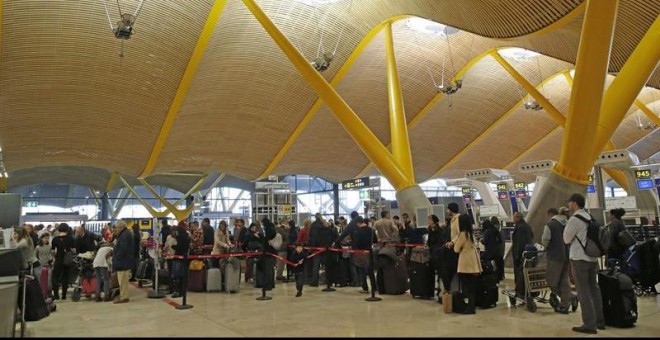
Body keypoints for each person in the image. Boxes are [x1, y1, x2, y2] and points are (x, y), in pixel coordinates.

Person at [563, 193, 605, 334]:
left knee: (583, 291)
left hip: (579, 259)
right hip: (592, 258)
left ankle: (589, 324)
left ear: (574, 204)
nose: (569, 206)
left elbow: (566, 239)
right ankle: (600, 321)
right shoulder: (589, 217)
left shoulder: (575, 219)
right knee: (594, 289)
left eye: (570, 204)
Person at [542, 207, 571, 314]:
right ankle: (565, 304)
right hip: (567, 255)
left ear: (550, 214)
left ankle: (569, 297)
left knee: (551, 281)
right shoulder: (568, 223)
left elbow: (545, 241)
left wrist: (545, 247)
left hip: (554, 256)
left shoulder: (550, 224)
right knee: (564, 280)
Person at [454, 214, 482, 314]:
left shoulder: (462, 234)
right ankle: (471, 306)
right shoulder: (471, 233)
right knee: (472, 286)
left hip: (465, 263)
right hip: (473, 262)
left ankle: (470, 308)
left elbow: (456, 249)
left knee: (467, 285)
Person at [352, 216, 378, 293]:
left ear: (358, 223)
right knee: (371, 271)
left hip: (361, 252)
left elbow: (355, 244)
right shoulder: (372, 230)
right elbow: (375, 241)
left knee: (361, 271)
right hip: (369, 251)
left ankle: (365, 288)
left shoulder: (357, 232)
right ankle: (374, 287)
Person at [511, 211, 533, 299]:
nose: (513, 219)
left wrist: (518, 256)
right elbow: (532, 236)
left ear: (518, 218)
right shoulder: (526, 225)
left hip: (521, 255)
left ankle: (520, 292)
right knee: (525, 274)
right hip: (528, 253)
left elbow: (519, 243)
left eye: (514, 217)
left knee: (520, 274)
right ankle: (526, 291)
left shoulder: (520, 227)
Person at [112, 220, 135, 304]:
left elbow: (123, 249)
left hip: (123, 261)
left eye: (117, 228)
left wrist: (117, 257)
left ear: (121, 227)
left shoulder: (125, 235)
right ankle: (123, 295)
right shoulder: (125, 234)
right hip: (123, 261)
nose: (116, 230)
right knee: (122, 280)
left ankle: (124, 297)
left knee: (123, 280)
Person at [51, 223, 75, 300]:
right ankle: (64, 295)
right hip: (67, 260)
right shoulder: (71, 238)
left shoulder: (55, 239)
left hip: (58, 260)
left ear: (58, 229)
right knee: (65, 277)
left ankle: (56, 295)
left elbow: (53, 251)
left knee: (55, 277)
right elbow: (73, 250)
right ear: (67, 229)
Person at [427, 215, 450, 292]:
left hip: (438, 253)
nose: (428, 221)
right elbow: (429, 241)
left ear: (433, 221)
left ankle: (443, 289)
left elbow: (440, 242)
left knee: (441, 272)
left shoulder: (440, 230)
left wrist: (435, 249)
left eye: (429, 219)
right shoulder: (430, 229)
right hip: (432, 252)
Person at [443, 202, 461, 293]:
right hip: (451, 248)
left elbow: (460, 234)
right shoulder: (452, 220)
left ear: (451, 209)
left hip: (456, 249)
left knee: (451, 269)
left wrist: (452, 242)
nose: (447, 211)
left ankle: (449, 290)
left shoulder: (458, 219)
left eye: (448, 209)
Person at [481, 219, 504, 283]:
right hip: (497, 252)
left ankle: (487, 275)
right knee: (498, 266)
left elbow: (485, 242)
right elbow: (500, 241)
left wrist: (481, 240)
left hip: (489, 252)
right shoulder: (495, 230)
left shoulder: (487, 231)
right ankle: (498, 278)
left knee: (481, 259)